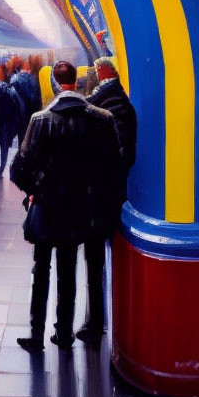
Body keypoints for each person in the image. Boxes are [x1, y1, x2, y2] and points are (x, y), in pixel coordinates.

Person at [10, 61, 122, 350]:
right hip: (86, 209)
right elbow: (114, 166)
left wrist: (36, 190)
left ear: (57, 85)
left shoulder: (40, 120)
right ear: (78, 82)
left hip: (49, 209)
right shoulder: (103, 119)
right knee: (71, 270)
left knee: (42, 270)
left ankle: (37, 334)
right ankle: (64, 333)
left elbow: (19, 169)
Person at [77, 57, 137, 343]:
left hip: (101, 198)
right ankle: (96, 321)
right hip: (109, 195)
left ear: (102, 75)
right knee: (97, 262)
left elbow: (121, 156)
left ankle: (97, 323)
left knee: (96, 262)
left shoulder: (108, 109)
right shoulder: (118, 102)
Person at [9, 56, 40, 144]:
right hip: (30, 114)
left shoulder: (14, 79)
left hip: (20, 115)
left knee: (22, 139)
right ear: (26, 65)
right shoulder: (32, 78)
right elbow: (33, 98)